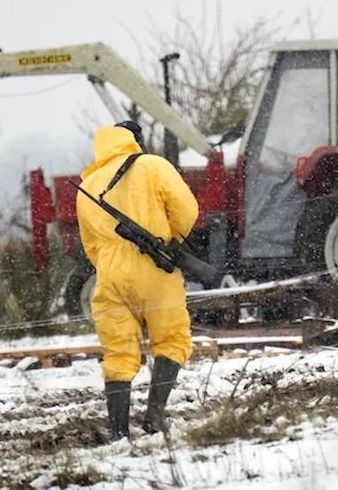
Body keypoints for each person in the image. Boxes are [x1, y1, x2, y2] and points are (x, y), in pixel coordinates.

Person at [77, 121, 200, 439]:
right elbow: (187, 210)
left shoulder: (88, 184)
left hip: (109, 277)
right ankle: (154, 417)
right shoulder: (153, 165)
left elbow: (89, 244)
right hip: (155, 270)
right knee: (172, 340)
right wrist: (171, 242)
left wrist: (111, 265)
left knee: (118, 352)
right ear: (136, 141)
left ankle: (118, 432)